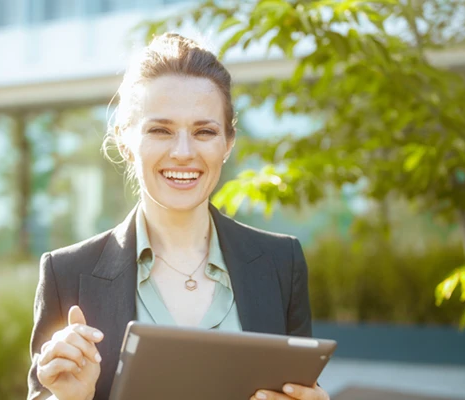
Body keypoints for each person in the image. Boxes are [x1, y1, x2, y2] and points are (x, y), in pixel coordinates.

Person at [27, 32, 330, 400]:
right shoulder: (67, 274)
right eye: (160, 130)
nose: (183, 152)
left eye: (204, 131)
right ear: (125, 140)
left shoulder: (282, 263)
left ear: (227, 143)